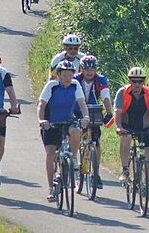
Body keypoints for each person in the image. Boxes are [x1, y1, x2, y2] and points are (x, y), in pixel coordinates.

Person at [37, 60, 89, 202]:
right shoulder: (51, 86)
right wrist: (42, 120)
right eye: (64, 75)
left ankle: (73, 157)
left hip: (68, 121)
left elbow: (82, 103)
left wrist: (85, 117)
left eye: (70, 75)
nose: (67, 78)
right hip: (51, 123)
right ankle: (51, 188)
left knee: (76, 130)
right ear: (58, 75)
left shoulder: (75, 85)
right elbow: (41, 105)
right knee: (51, 154)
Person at [112, 67, 149, 200]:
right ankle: (125, 170)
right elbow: (117, 112)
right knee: (126, 137)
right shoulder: (122, 92)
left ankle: (147, 183)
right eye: (134, 81)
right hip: (127, 126)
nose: (137, 84)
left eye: (140, 81)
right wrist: (119, 127)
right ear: (129, 80)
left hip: (144, 128)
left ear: (144, 81)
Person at [73, 55, 114, 189]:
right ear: (81, 69)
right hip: (76, 109)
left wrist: (109, 113)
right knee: (76, 133)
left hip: (94, 109)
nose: (89, 72)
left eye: (92, 69)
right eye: (86, 69)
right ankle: (74, 160)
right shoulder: (75, 79)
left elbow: (105, 97)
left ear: (96, 69)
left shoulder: (100, 79)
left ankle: (95, 173)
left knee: (96, 141)